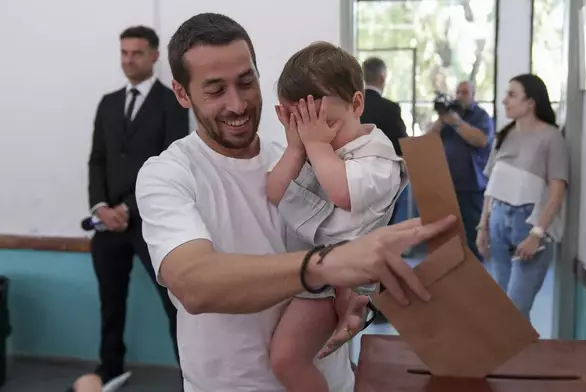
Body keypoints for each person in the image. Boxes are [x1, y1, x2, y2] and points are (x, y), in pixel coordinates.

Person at [135, 13, 456, 392]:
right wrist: (326, 267)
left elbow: (353, 239)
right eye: (215, 90)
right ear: (182, 93)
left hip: (331, 381)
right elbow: (194, 284)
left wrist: (362, 296)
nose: (237, 104)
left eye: (246, 82)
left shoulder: (302, 157)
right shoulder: (168, 174)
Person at [266, 43, 407, 392]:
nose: (320, 134)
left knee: (285, 359)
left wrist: (315, 145)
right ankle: (352, 311)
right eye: (305, 126)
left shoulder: (377, 156)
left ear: (357, 104)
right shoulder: (314, 147)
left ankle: (353, 306)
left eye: (327, 123)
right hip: (314, 270)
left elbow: (343, 193)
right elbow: (274, 191)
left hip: (334, 278)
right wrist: (297, 147)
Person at [78, 25, 189, 391]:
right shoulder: (108, 103)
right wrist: (100, 207)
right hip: (107, 224)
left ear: (155, 56)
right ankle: (110, 368)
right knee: (109, 303)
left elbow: (171, 160)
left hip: (150, 222)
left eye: (137, 53)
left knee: (173, 303)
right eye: (124, 53)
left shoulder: (172, 102)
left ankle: (191, 373)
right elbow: (97, 160)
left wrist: (128, 208)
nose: (129, 60)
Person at [476, 74, 568, 320]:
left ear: (531, 102)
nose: (505, 100)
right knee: (503, 307)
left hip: (528, 224)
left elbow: (557, 191)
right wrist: (482, 226)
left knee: (515, 310)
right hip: (498, 221)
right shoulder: (504, 135)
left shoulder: (551, 137)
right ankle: (512, 357)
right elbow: (491, 187)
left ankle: (520, 357)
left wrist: (537, 234)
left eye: (512, 95)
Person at [426, 80, 493, 261]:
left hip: (472, 187)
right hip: (447, 186)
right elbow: (426, 139)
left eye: (465, 92)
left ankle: (475, 277)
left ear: (473, 95)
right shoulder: (449, 115)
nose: (460, 96)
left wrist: (457, 123)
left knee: (472, 238)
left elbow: (481, 140)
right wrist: (442, 120)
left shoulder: (481, 116)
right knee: (447, 238)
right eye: (458, 92)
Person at [360, 57, 408, 156]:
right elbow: (401, 145)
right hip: (383, 167)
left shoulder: (353, 106)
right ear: (382, 77)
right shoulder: (390, 108)